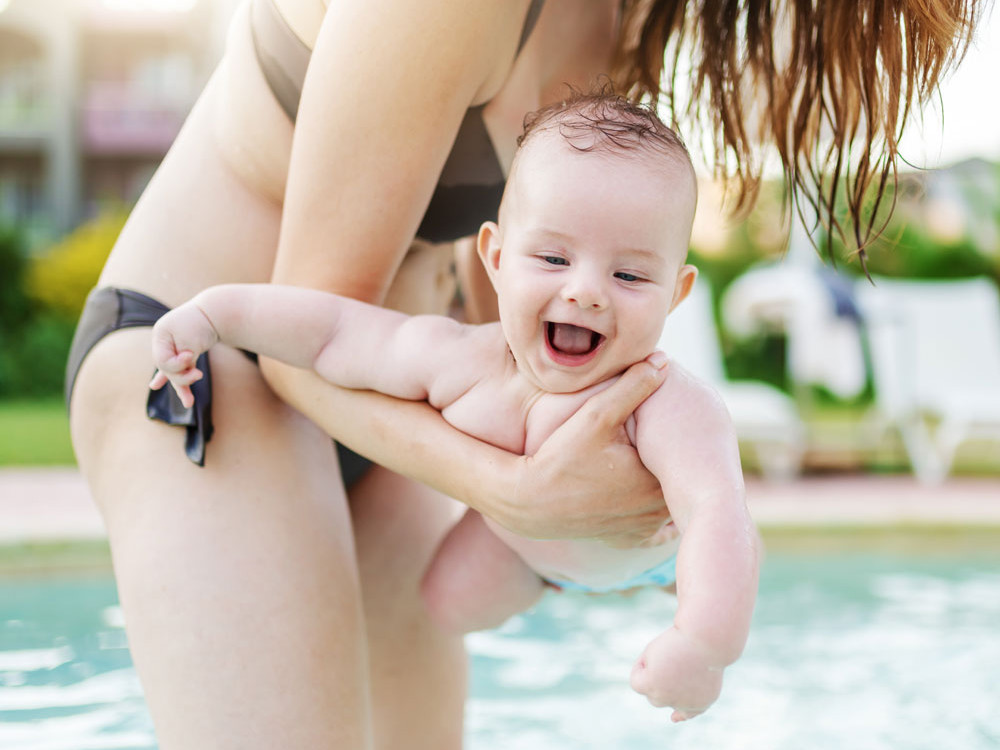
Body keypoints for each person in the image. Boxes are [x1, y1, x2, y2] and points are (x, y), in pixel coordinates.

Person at [63, 0, 983, 746]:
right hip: (214, 360)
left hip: (407, 404)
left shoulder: (620, 24)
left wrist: (614, 497)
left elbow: (516, 258)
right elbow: (316, 333)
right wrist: (526, 492)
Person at [149, 92, 756, 723]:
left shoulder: (665, 403)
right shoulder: (459, 360)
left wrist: (703, 648)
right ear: (495, 259)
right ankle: (550, 577)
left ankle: (682, 603)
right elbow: (334, 331)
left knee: (729, 557)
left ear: (676, 292)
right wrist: (216, 314)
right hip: (528, 552)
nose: (585, 292)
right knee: (446, 603)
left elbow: (715, 513)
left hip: (656, 552)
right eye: (552, 258)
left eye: (629, 276)